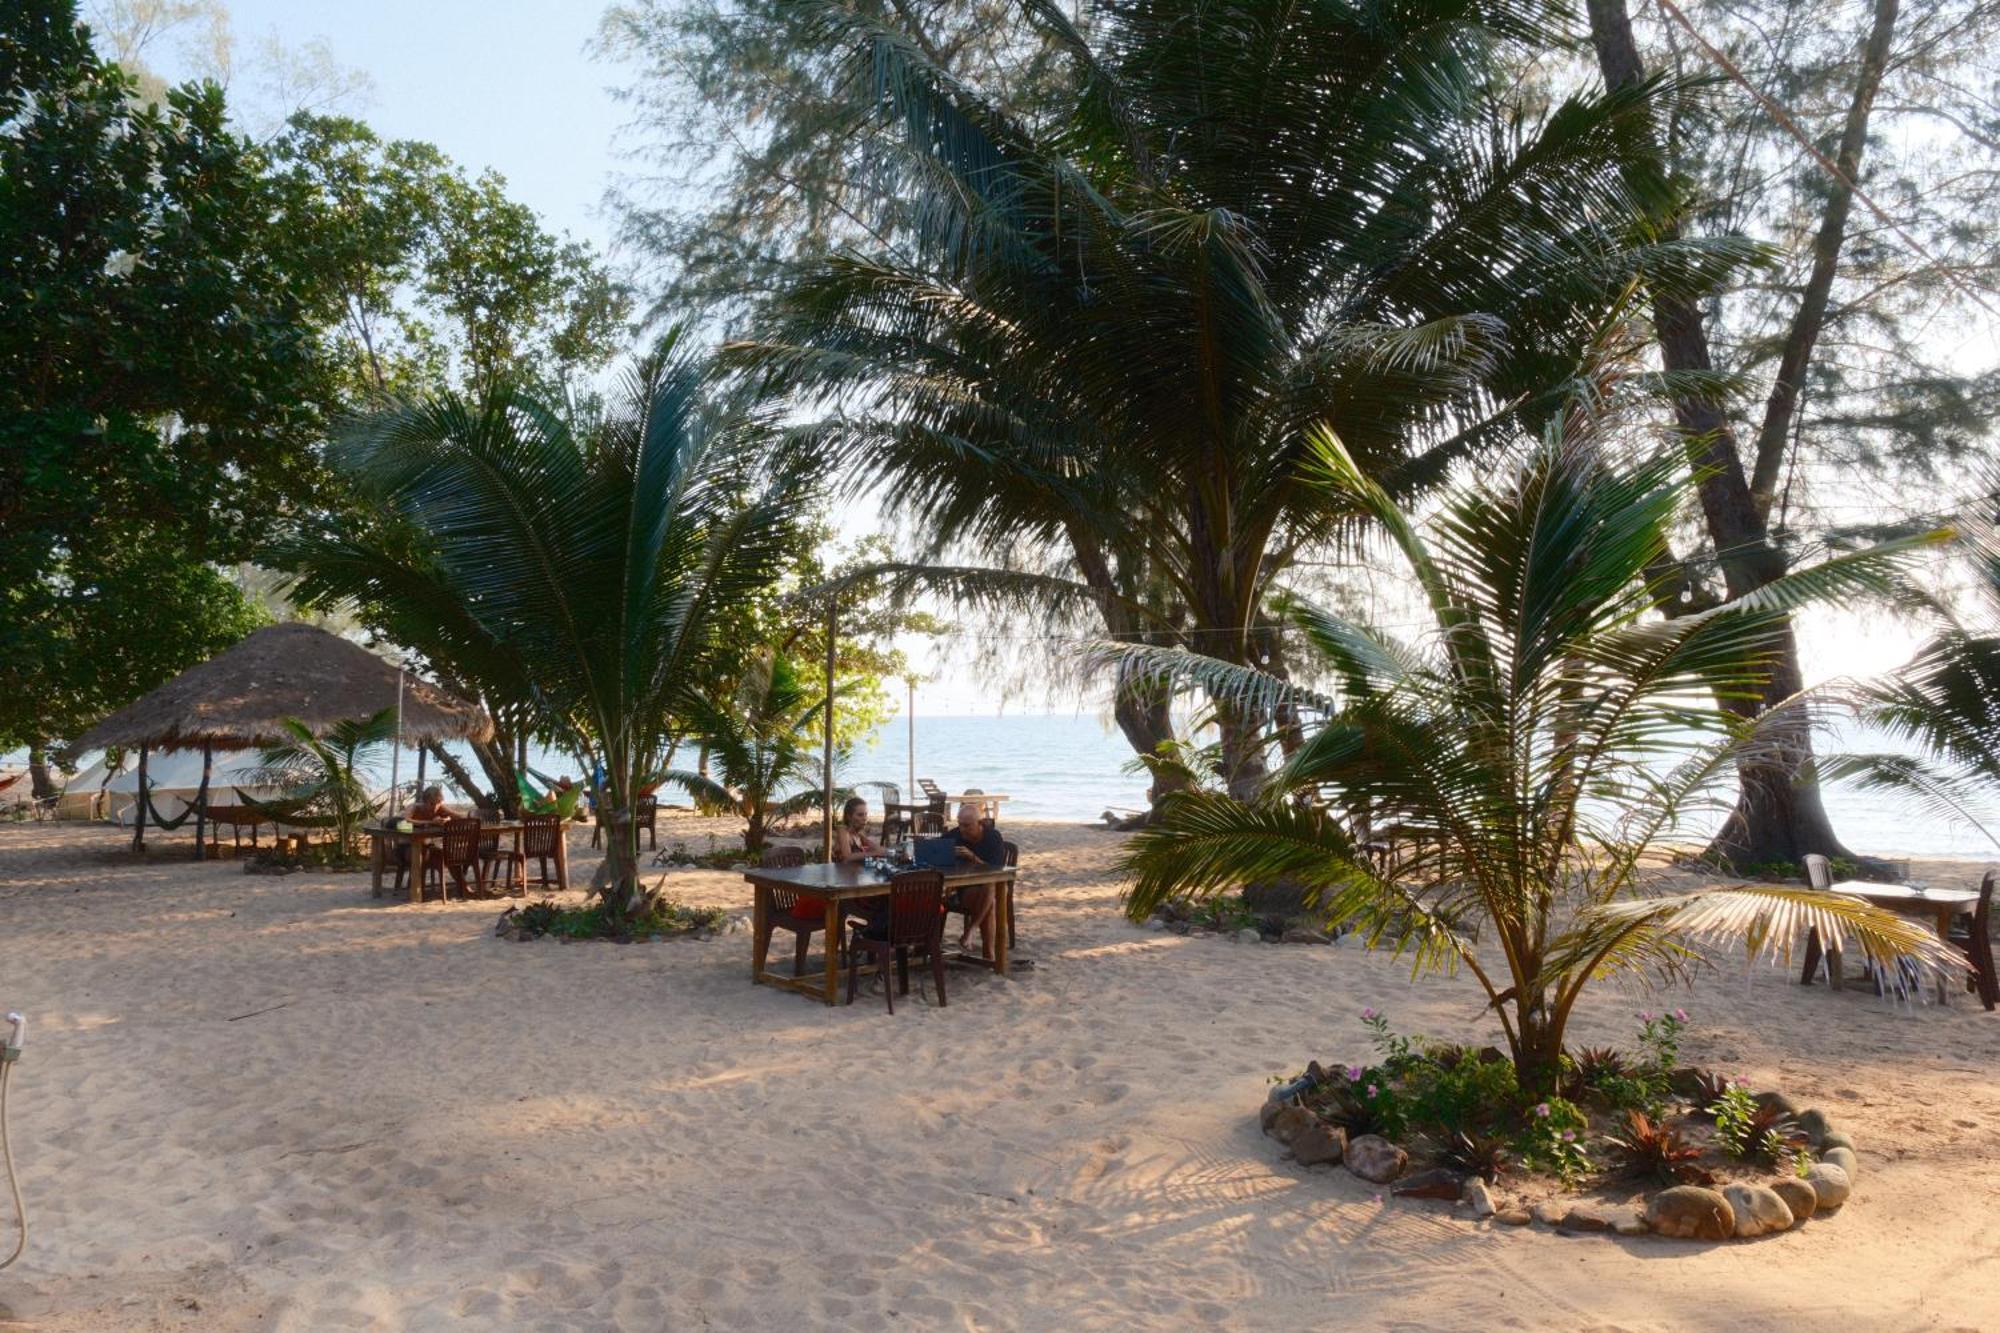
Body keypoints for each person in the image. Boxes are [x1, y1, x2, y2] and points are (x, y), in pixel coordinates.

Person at [944, 801, 1005, 956]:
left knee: (989, 886)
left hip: (992, 889)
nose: (962, 829)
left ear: (980, 823)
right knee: (989, 902)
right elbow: (932, 848)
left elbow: (996, 870)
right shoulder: (956, 834)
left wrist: (973, 857)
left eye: (967, 826)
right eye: (960, 824)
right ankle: (988, 953)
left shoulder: (993, 837)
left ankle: (971, 931)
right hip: (965, 889)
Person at [831, 795, 878, 864]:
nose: (865, 818)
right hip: (841, 874)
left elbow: (876, 848)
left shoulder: (859, 835)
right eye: (860, 815)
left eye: (866, 814)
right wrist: (874, 853)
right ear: (849, 817)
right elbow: (847, 857)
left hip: (855, 874)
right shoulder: (843, 831)